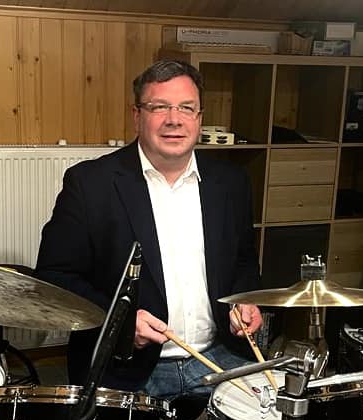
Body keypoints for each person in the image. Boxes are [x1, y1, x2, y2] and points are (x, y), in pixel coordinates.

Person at [35, 59, 263, 401]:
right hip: (128, 367)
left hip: (219, 357)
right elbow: (55, 277)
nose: (174, 119)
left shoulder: (231, 182)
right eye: (159, 107)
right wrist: (121, 322)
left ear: (199, 118)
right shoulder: (90, 184)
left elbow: (244, 260)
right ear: (137, 115)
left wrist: (244, 300)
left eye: (186, 107)